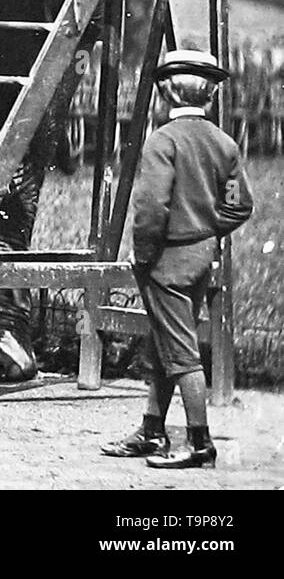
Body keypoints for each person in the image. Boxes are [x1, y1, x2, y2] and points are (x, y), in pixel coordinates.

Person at [102, 49, 254, 469]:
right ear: (209, 94)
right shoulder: (224, 143)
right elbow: (240, 205)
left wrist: (144, 254)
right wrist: (206, 228)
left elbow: (151, 209)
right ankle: (152, 430)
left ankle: (199, 442)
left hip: (165, 261)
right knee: (163, 343)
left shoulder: (163, 141)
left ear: (166, 91)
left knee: (180, 352)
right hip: (201, 256)